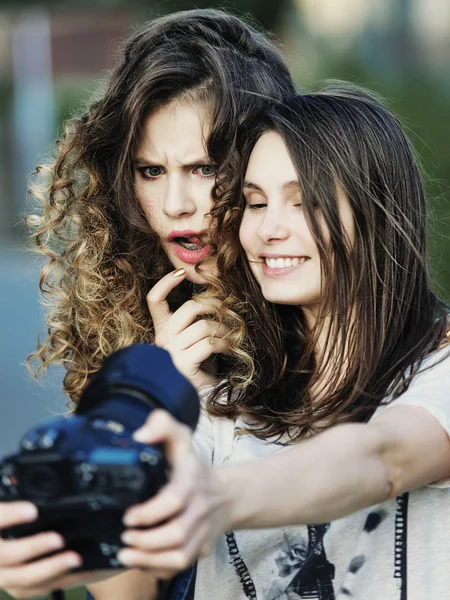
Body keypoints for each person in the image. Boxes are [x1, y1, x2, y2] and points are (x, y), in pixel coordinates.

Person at [0, 9, 297, 600]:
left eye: (205, 168)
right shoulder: (132, 334)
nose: (177, 203)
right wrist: (165, 395)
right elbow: (126, 594)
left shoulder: (332, 312)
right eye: (151, 171)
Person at [117, 84, 450, 600]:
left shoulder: (439, 367)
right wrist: (156, 392)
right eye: (255, 203)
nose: (269, 228)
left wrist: (214, 498)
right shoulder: (224, 402)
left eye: (304, 202)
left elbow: (384, 459)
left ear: (377, 213)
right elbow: (125, 592)